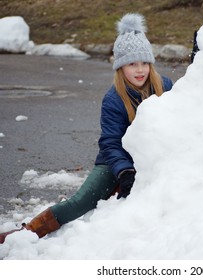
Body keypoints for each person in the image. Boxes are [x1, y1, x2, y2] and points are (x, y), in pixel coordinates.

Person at [0, 13, 173, 244]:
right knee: (81, 202)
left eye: (144, 63)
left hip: (151, 159)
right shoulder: (113, 99)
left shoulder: (166, 86)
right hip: (114, 163)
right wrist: (124, 172)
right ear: (120, 67)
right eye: (132, 63)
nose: (139, 70)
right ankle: (28, 232)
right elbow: (110, 143)